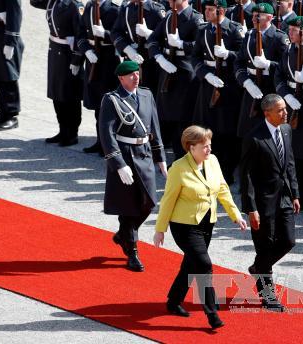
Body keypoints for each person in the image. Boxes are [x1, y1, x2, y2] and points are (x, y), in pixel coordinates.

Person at [153, 125, 247, 329]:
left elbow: (222, 189)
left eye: (209, 145)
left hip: (207, 223)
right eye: (204, 146)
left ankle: (173, 301)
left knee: (191, 265)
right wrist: (160, 229)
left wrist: (235, 214)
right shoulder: (178, 168)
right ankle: (212, 313)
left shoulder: (212, 161)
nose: (209, 150)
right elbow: (167, 200)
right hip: (184, 226)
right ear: (191, 147)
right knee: (204, 265)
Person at [99, 61, 167, 272]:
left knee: (148, 202)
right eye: (130, 75)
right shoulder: (113, 99)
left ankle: (124, 234)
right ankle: (132, 251)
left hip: (144, 153)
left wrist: (160, 156)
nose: (135, 77)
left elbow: (154, 127)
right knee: (128, 205)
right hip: (126, 154)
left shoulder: (146, 95)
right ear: (121, 78)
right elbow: (106, 133)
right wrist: (118, 163)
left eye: (137, 73)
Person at [240, 93, 300, 311]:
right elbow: (245, 177)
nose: (286, 113)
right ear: (267, 113)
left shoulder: (286, 130)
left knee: (288, 241)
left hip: (283, 197)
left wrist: (295, 193)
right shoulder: (254, 138)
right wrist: (251, 208)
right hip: (262, 203)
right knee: (264, 247)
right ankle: (268, 296)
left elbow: (289, 162)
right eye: (280, 110)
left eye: (285, 108)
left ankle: (259, 267)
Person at [191, 0, 244, 184]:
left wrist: (228, 54)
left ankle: (227, 171)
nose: (206, 13)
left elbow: (243, 56)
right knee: (207, 127)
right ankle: (207, 168)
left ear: (221, 11)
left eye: (211, 10)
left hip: (228, 84)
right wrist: (204, 74)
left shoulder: (234, 30)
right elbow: (195, 56)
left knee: (226, 130)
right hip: (208, 83)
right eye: (206, 9)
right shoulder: (204, 30)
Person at [274, 16, 303, 210]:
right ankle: (293, 192)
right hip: (291, 101)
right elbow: (279, 74)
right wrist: (285, 94)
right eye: (290, 30)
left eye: (295, 30)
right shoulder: (288, 49)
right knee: (291, 150)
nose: (291, 33)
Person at [147, 0, 204, 159]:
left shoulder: (195, 18)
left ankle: (182, 157)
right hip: (168, 69)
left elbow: (200, 45)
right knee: (168, 115)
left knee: (183, 118)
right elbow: (153, 39)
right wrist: (159, 57)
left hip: (186, 72)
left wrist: (181, 44)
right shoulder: (169, 17)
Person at [30, 0, 84, 146]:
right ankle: (62, 129)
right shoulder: (51, 2)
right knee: (57, 93)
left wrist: (77, 59)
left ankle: (72, 133)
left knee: (70, 95)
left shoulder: (74, 5)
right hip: (55, 51)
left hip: (68, 54)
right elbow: (33, 2)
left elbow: (81, 34)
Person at [234, 2, 289, 138]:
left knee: (267, 131)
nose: (253, 19)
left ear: (270, 18)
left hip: (269, 87)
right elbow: (239, 62)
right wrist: (246, 82)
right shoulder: (249, 35)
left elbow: (286, 67)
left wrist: (268, 64)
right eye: (253, 16)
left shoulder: (279, 37)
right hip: (251, 86)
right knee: (247, 129)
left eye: (258, 16)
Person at [77, 0, 122, 156]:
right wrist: (86, 50)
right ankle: (100, 141)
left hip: (108, 61)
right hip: (93, 59)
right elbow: (81, 32)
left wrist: (105, 34)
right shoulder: (89, 6)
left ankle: (109, 144)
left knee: (107, 106)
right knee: (97, 104)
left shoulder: (114, 10)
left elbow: (120, 37)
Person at [0, 0, 24, 130]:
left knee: (7, 76)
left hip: (4, 35)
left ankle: (11, 116)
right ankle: (3, 115)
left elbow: (15, 14)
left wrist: (10, 42)